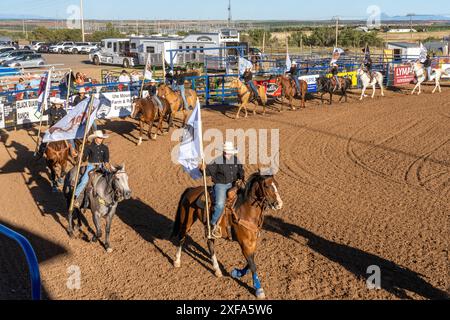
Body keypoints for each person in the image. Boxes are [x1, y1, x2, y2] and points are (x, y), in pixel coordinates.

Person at [202, 142, 245, 239]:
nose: (227, 153)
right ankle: (212, 224)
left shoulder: (235, 159)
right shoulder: (217, 161)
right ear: (223, 151)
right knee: (220, 204)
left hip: (233, 184)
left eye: (229, 152)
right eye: (226, 152)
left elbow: (240, 169)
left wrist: (241, 175)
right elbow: (208, 172)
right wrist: (203, 169)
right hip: (220, 185)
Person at [73, 130, 111, 208]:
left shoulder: (105, 148)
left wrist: (107, 166)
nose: (101, 139)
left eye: (101, 138)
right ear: (95, 138)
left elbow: (106, 160)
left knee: (110, 179)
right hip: (91, 166)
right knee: (84, 180)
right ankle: (75, 197)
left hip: (101, 166)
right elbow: (84, 159)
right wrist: (80, 156)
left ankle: (111, 197)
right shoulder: (89, 147)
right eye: (99, 138)